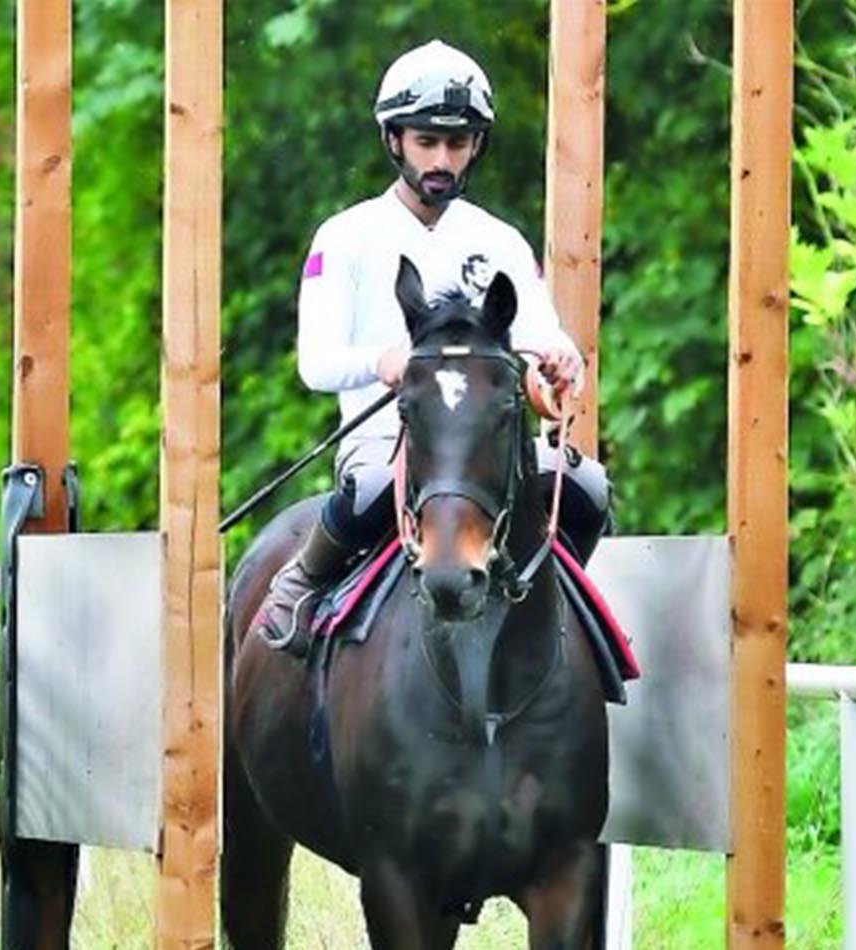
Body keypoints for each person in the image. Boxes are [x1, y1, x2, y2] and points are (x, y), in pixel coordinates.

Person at [255, 40, 610, 653]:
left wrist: (561, 355)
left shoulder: (499, 239)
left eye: (458, 141)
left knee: (591, 490)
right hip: (386, 447)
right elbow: (315, 365)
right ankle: (297, 588)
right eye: (426, 141)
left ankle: (575, 621)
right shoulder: (344, 237)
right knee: (364, 494)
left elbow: (537, 334)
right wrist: (380, 362)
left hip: (491, 451)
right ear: (394, 140)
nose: (443, 157)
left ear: (477, 146)